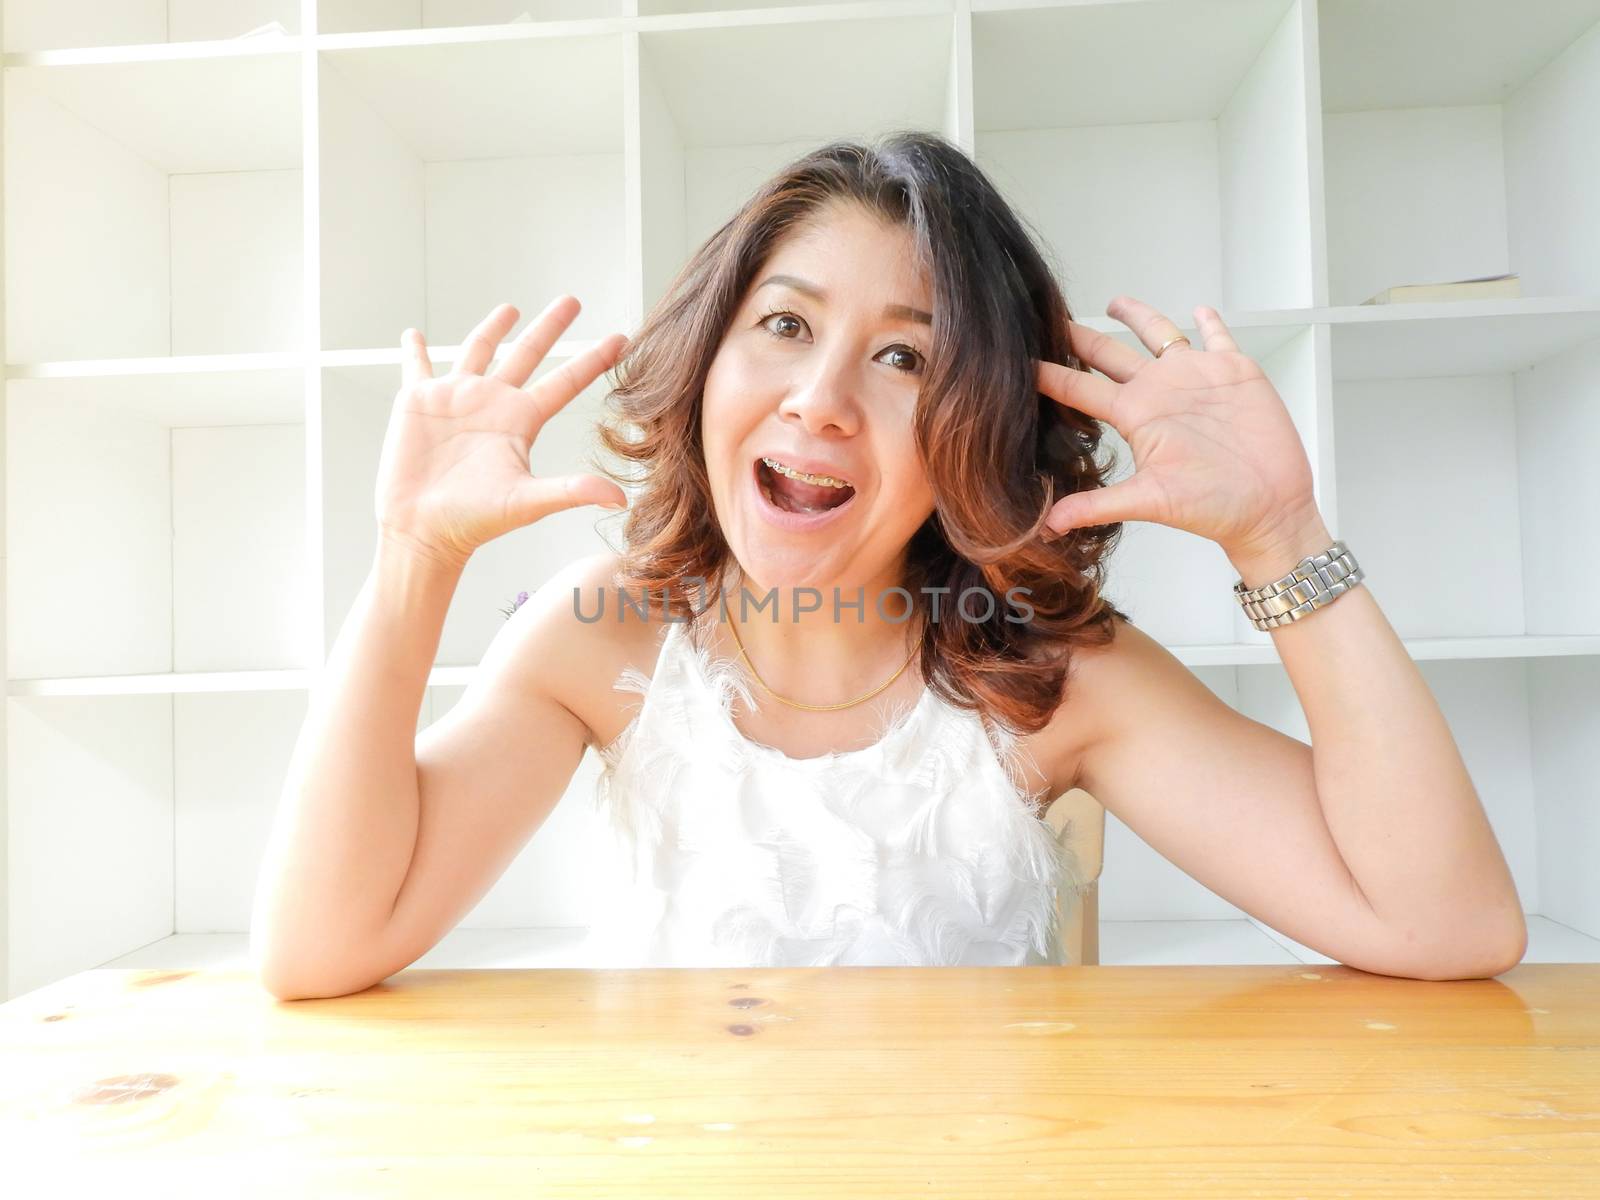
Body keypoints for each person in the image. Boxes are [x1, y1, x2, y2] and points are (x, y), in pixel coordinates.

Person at [250, 132, 1526, 998]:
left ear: (975, 420)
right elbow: (318, 947)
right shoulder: (604, 638)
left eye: (903, 357)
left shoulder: (1052, 679)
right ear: (708, 361)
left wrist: (1280, 536)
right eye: (786, 325)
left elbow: (1446, 926)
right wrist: (413, 559)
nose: (819, 401)